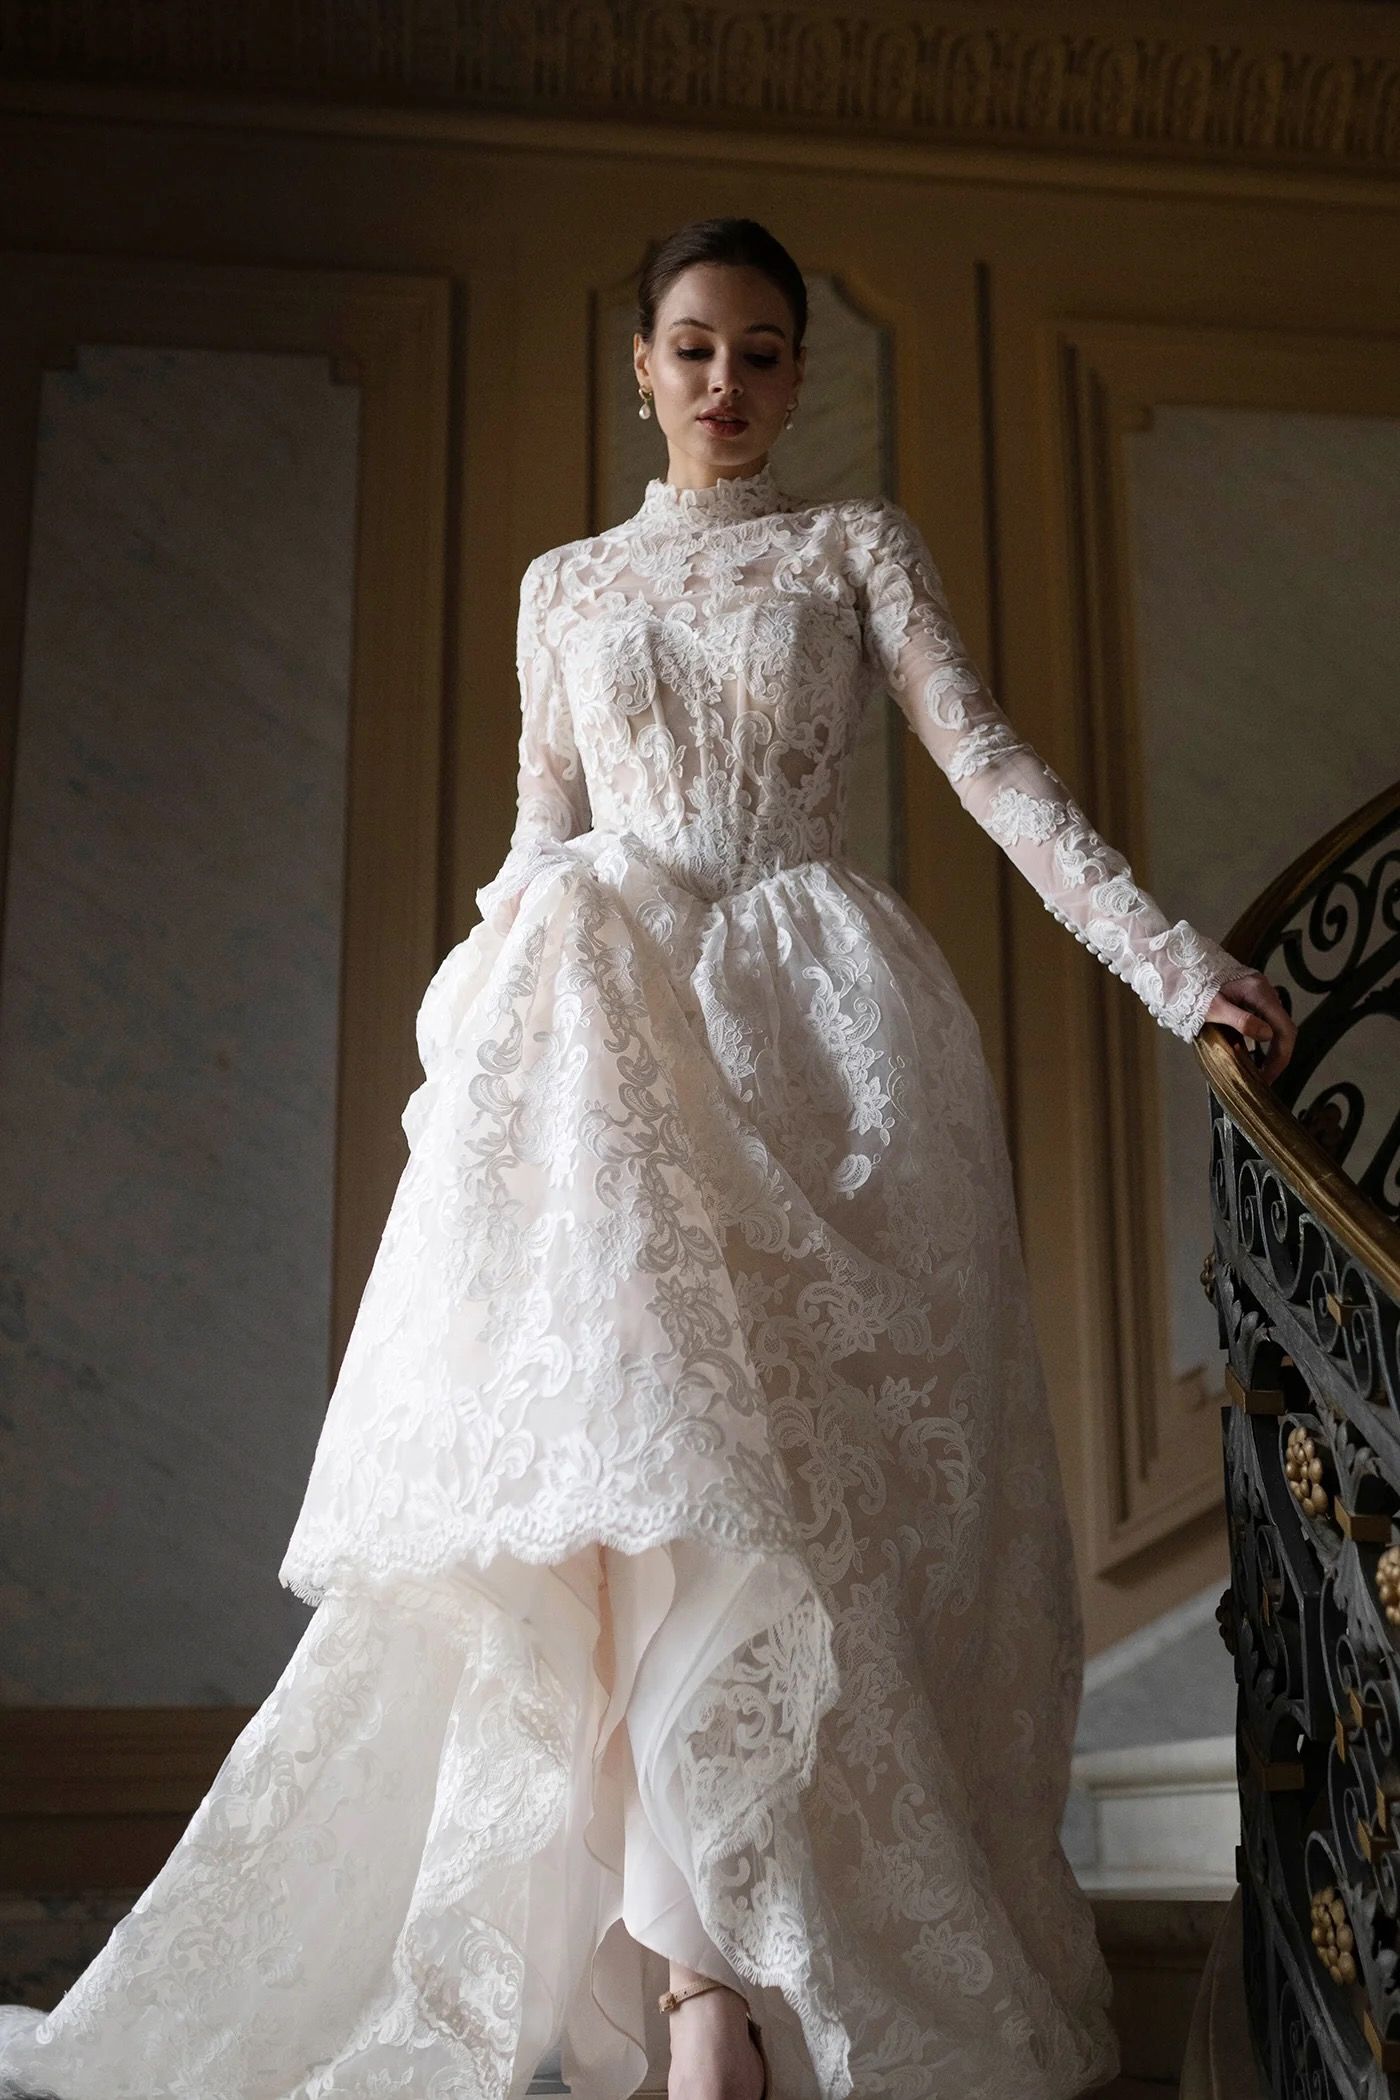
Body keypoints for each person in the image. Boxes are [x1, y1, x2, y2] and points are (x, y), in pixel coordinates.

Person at [0, 214, 1292, 2100]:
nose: (730, 384)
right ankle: (700, 2003)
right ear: (642, 364)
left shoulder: (856, 550)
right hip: (612, 1048)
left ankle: (767, 1980)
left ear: (794, 372)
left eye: (765, 352)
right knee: (630, 1508)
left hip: (820, 1056)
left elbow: (994, 768)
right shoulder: (562, 588)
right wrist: (474, 1057)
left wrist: (1176, 965)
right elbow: (540, 841)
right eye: (696, 347)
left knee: (801, 1536)